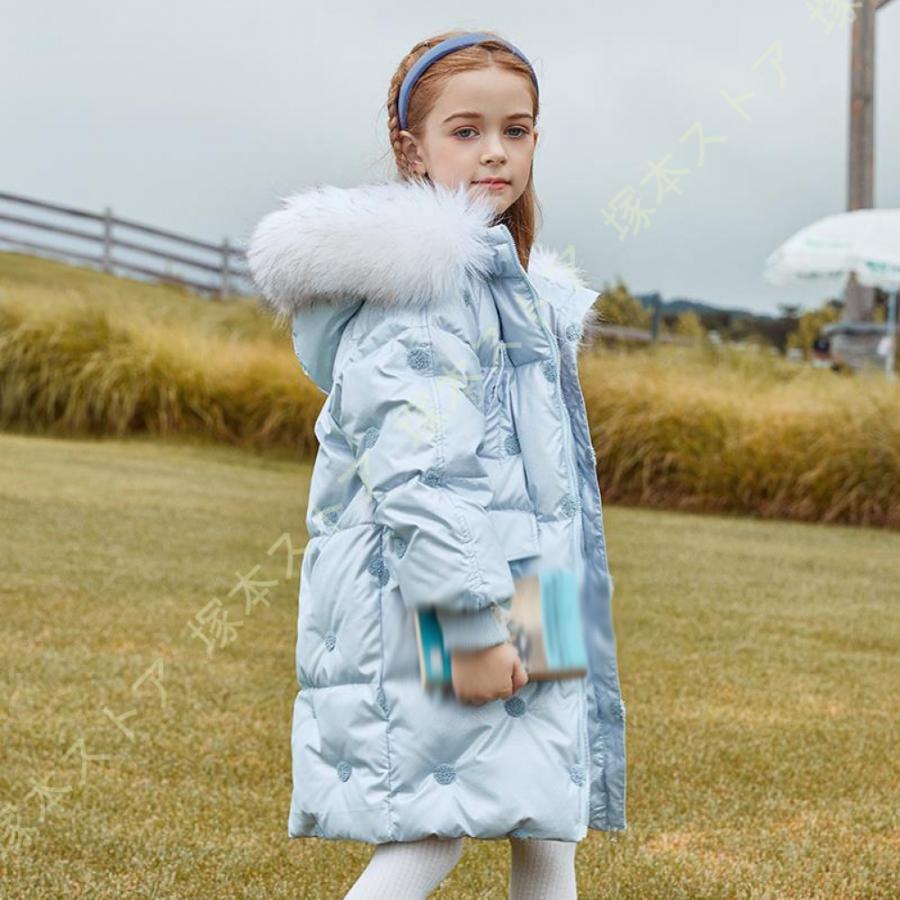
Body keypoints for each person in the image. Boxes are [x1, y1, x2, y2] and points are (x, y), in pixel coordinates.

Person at [246, 29, 627, 900]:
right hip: (459, 595)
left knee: (549, 823)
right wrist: (470, 629)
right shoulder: (422, 296)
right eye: (467, 131)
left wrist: (534, 609)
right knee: (432, 832)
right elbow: (419, 478)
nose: (496, 151)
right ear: (412, 149)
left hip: (535, 587)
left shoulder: (510, 288)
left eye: (516, 131)